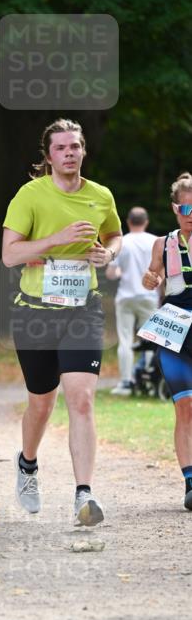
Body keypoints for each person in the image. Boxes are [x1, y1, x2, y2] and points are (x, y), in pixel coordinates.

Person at [2, 118, 122, 525]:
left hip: (83, 310)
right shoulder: (30, 195)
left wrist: (109, 254)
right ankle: (28, 465)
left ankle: (83, 495)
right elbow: (10, 255)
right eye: (61, 148)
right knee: (41, 402)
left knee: (82, 399)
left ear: (83, 150)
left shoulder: (101, 196)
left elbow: (114, 235)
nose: (69, 153)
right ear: (49, 155)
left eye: (75, 146)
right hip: (35, 313)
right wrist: (55, 239)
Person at [141, 172, 192, 511]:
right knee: (184, 407)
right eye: (186, 207)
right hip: (175, 330)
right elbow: (152, 277)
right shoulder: (163, 243)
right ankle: (191, 483)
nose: (191, 213)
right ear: (175, 208)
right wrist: (150, 278)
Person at [106, 207, 158, 395]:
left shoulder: (123, 242)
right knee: (152, 340)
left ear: (128, 222)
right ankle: (150, 381)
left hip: (126, 296)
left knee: (125, 340)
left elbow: (111, 273)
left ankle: (126, 382)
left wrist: (119, 271)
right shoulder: (154, 241)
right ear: (146, 222)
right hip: (149, 296)